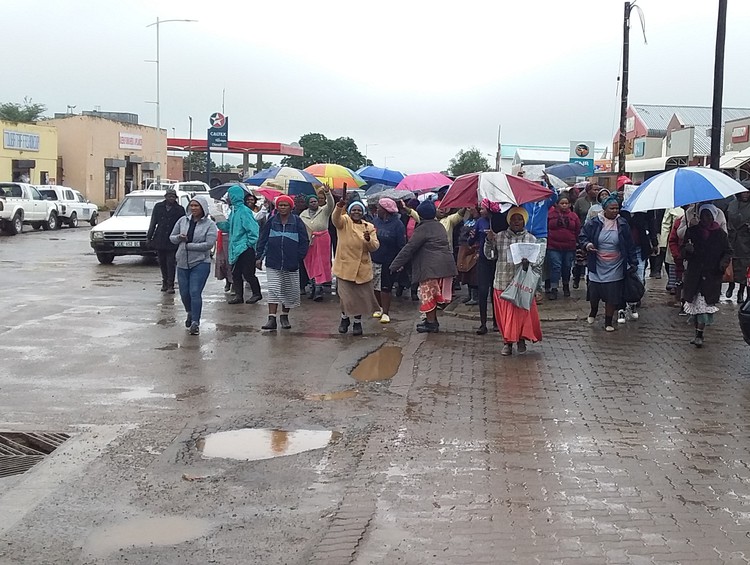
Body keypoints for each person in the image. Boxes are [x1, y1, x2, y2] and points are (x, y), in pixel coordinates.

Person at [390, 200, 458, 333]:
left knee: (428, 295)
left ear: (420, 215)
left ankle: (431, 323)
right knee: (435, 296)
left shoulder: (423, 228)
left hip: (430, 268)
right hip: (446, 266)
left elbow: (409, 248)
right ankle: (431, 320)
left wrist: (394, 265)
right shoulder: (438, 226)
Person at [484, 207, 543, 355]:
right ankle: (507, 342)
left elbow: (536, 263)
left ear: (524, 220)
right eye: (513, 219)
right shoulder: (500, 237)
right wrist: (489, 241)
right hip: (502, 282)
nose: (516, 222)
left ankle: (521, 339)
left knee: (521, 314)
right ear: (508, 220)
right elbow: (490, 256)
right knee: (504, 316)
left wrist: (527, 262)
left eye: (519, 219)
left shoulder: (531, 239)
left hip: (522, 284)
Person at [578, 194, 638, 331]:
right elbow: (582, 236)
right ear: (604, 209)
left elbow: (630, 245)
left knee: (612, 294)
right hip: (597, 262)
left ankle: (608, 322)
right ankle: (593, 310)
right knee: (594, 292)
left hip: (616, 264)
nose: (615, 211)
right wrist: (587, 245)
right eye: (612, 208)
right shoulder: (594, 222)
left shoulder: (622, 223)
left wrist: (633, 262)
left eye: (617, 208)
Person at [681, 204, 733, 347]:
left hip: (711, 275)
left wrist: (722, 263)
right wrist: (687, 249)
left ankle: (700, 334)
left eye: (709, 216)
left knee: (703, 306)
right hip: (695, 274)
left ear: (713, 216)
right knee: (695, 304)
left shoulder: (721, 234)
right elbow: (682, 251)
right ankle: (697, 333)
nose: (706, 219)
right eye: (703, 216)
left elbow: (728, 251)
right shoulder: (692, 232)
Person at [255, 195, 310, 330]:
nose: (282, 207)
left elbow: (304, 241)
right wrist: (259, 256)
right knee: (273, 289)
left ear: (291, 207)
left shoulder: (297, 222)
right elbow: (263, 238)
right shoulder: (272, 220)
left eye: (285, 205)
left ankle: (284, 316)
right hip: (273, 261)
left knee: (288, 290)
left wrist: (298, 257)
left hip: (291, 262)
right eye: (280, 205)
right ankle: (271, 318)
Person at [169, 196, 218, 335]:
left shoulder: (210, 225)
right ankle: (190, 312)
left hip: (200, 262)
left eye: (197, 206)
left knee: (195, 292)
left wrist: (189, 246)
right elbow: (172, 237)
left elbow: (209, 244)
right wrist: (179, 238)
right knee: (184, 293)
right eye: (192, 205)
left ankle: (196, 322)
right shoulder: (182, 221)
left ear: (203, 208)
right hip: (182, 262)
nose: (194, 208)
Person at [332, 199, 380, 336]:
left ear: (363, 212)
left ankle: (357, 322)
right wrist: (339, 206)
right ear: (350, 211)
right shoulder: (344, 221)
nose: (356, 212)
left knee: (360, 297)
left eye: (359, 210)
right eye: (354, 209)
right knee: (345, 297)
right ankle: (344, 318)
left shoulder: (369, 227)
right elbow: (335, 220)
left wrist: (368, 240)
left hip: (362, 268)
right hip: (344, 267)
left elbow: (375, 247)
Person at [218, 185, 262, 305]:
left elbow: (253, 230)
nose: (228, 198)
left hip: (245, 248)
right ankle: (239, 296)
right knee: (236, 273)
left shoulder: (244, 211)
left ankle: (257, 293)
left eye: (230, 195)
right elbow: (230, 227)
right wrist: (219, 223)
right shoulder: (234, 211)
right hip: (236, 248)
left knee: (248, 273)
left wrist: (248, 244)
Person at [371, 198, 406, 323]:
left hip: (389, 261)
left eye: (379, 207)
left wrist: (400, 262)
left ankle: (386, 312)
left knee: (386, 287)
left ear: (385, 210)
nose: (377, 209)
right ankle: (378, 308)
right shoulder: (375, 222)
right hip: (375, 258)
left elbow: (402, 244)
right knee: (375, 285)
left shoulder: (398, 225)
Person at [299, 187, 335, 301]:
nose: (314, 203)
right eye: (311, 202)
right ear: (307, 204)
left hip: (323, 239)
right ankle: (313, 286)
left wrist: (327, 193)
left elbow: (331, 204)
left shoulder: (324, 210)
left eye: (315, 201)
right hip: (309, 241)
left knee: (321, 263)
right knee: (310, 263)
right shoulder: (302, 215)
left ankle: (319, 289)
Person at [468, 199, 498, 335]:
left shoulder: (499, 222)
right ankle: (483, 323)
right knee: (483, 291)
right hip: (483, 260)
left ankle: (497, 322)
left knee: (495, 292)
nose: (480, 211)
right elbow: (471, 241)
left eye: (483, 209)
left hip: (497, 260)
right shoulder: (479, 222)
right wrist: (472, 236)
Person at [147, 188, 185, 293]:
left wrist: (182, 237)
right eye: (169, 196)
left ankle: (170, 284)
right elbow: (153, 222)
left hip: (173, 239)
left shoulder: (180, 209)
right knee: (162, 262)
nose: (171, 198)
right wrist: (149, 237)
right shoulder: (158, 207)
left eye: (173, 196)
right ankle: (164, 281)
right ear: (165, 197)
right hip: (160, 238)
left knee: (171, 262)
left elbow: (183, 224)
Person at [546, 192, 581, 300]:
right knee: (555, 266)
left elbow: (577, 230)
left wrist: (576, 242)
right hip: (553, 245)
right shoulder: (550, 215)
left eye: (566, 203)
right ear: (557, 204)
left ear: (570, 204)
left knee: (567, 267)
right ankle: (554, 288)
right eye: (562, 203)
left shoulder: (573, 216)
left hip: (569, 246)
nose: (564, 205)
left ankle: (566, 285)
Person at [725, 183, 750, 303]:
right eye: (744, 192)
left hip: (745, 243)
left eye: (748, 192)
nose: (745, 194)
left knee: (743, 269)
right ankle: (731, 285)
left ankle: (741, 291)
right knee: (732, 266)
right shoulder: (732, 205)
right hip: (732, 241)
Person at [457, 207, 480, 305]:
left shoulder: (479, 221)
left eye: (472, 208)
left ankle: (475, 297)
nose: (470, 210)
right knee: (466, 272)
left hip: (473, 249)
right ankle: (470, 294)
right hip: (464, 248)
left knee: (473, 274)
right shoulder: (469, 220)